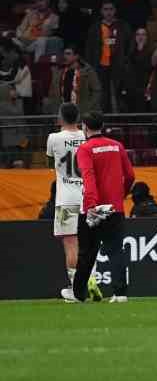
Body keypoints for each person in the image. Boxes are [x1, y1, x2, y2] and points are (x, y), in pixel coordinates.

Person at [66, 112, 136, 304]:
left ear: (85, 127)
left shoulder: (85, 148)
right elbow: (130, 176)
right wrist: (120, 196)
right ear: (102, 125)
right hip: (115, 208)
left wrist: (91, 205)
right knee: (115, 250)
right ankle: (120, 294)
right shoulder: (117, 146)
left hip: (93, 207)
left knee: (87, 253)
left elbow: (88, 177)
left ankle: (79, 295)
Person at [45, 103, 86, 296]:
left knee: (70, 243)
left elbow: (49, 160)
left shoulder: (54, 138)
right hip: (87, 196)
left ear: (60, 117)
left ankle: (75, 289)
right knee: (88, 244)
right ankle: (89, 283)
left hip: (66, 197)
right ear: (78, 118)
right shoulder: (86, 137)